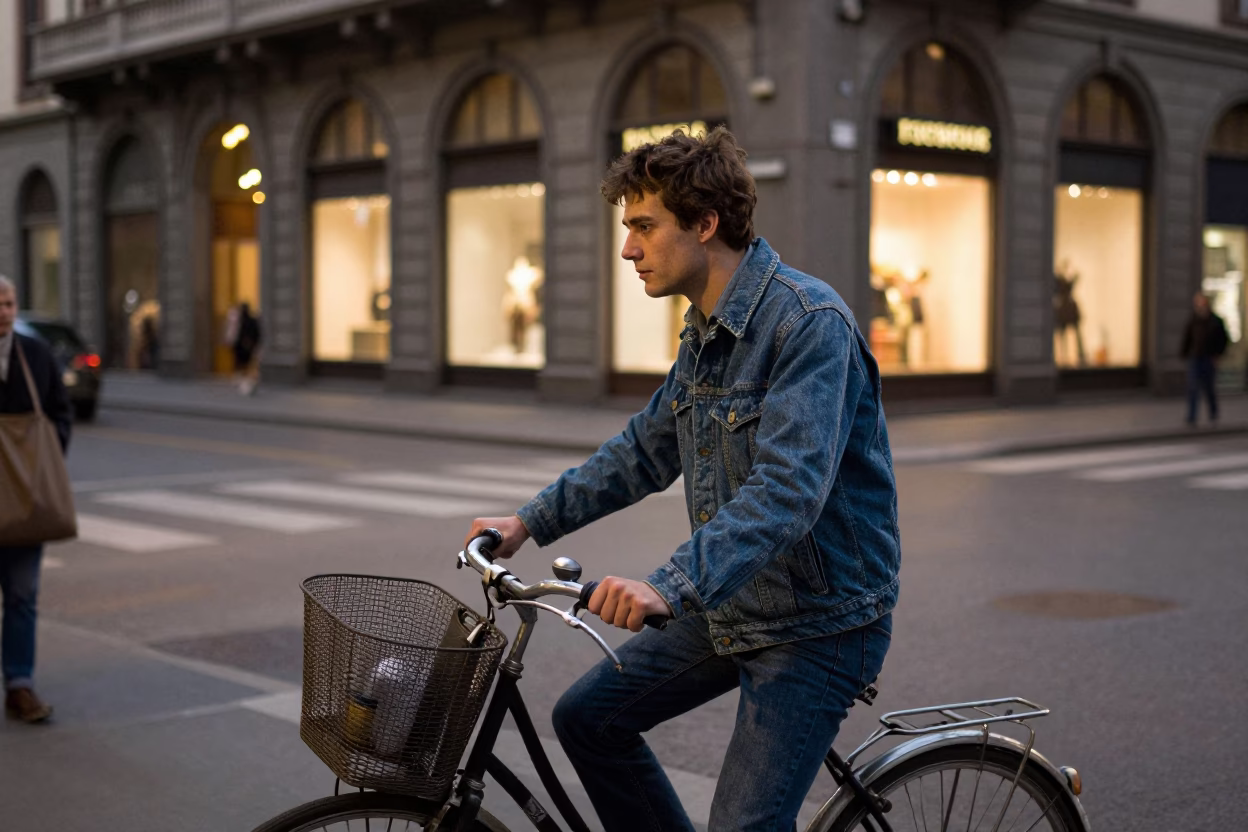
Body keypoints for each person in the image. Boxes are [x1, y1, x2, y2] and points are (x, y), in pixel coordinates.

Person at [463, 128, 900, 831]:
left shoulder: (807, 324)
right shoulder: (704, 331)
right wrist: (528, 522)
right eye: (627, 227)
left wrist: (666, 585)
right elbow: (643, 450)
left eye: (643, 226)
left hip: (819, 621)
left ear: (705, 223)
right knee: (588, 720)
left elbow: (787, 491)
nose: (628, 248)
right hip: (734, 601)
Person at [0, 274, 72, 724]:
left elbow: (60, 414)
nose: (3, 311)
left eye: (8, 303)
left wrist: (42, 463)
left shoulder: (36, 354)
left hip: (28, 500)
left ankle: (19, 684)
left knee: (23, 597)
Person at [1180, 292, 1228, 426]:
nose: (1199, 305)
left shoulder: (1215, 321)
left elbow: (1223, 340)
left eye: (1201, 302)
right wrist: (1184, 354)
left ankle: (1213, 413)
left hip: (1209, 358)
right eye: (1197, 303)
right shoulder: (1193, 320)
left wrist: (1218, 355)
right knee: (1193, 387)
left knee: (1209, 388)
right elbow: (1187, 338)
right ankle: (1191, 417)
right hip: (1195, 357)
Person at [232, 302, 262, 396]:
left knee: (244, 367)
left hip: (243, 348)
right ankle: (248, 386)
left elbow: (238, 335)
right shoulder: (251, 320)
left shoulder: (242, 321)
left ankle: (246, 386)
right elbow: (258, 334)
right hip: (249, 348)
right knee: (249, 367)